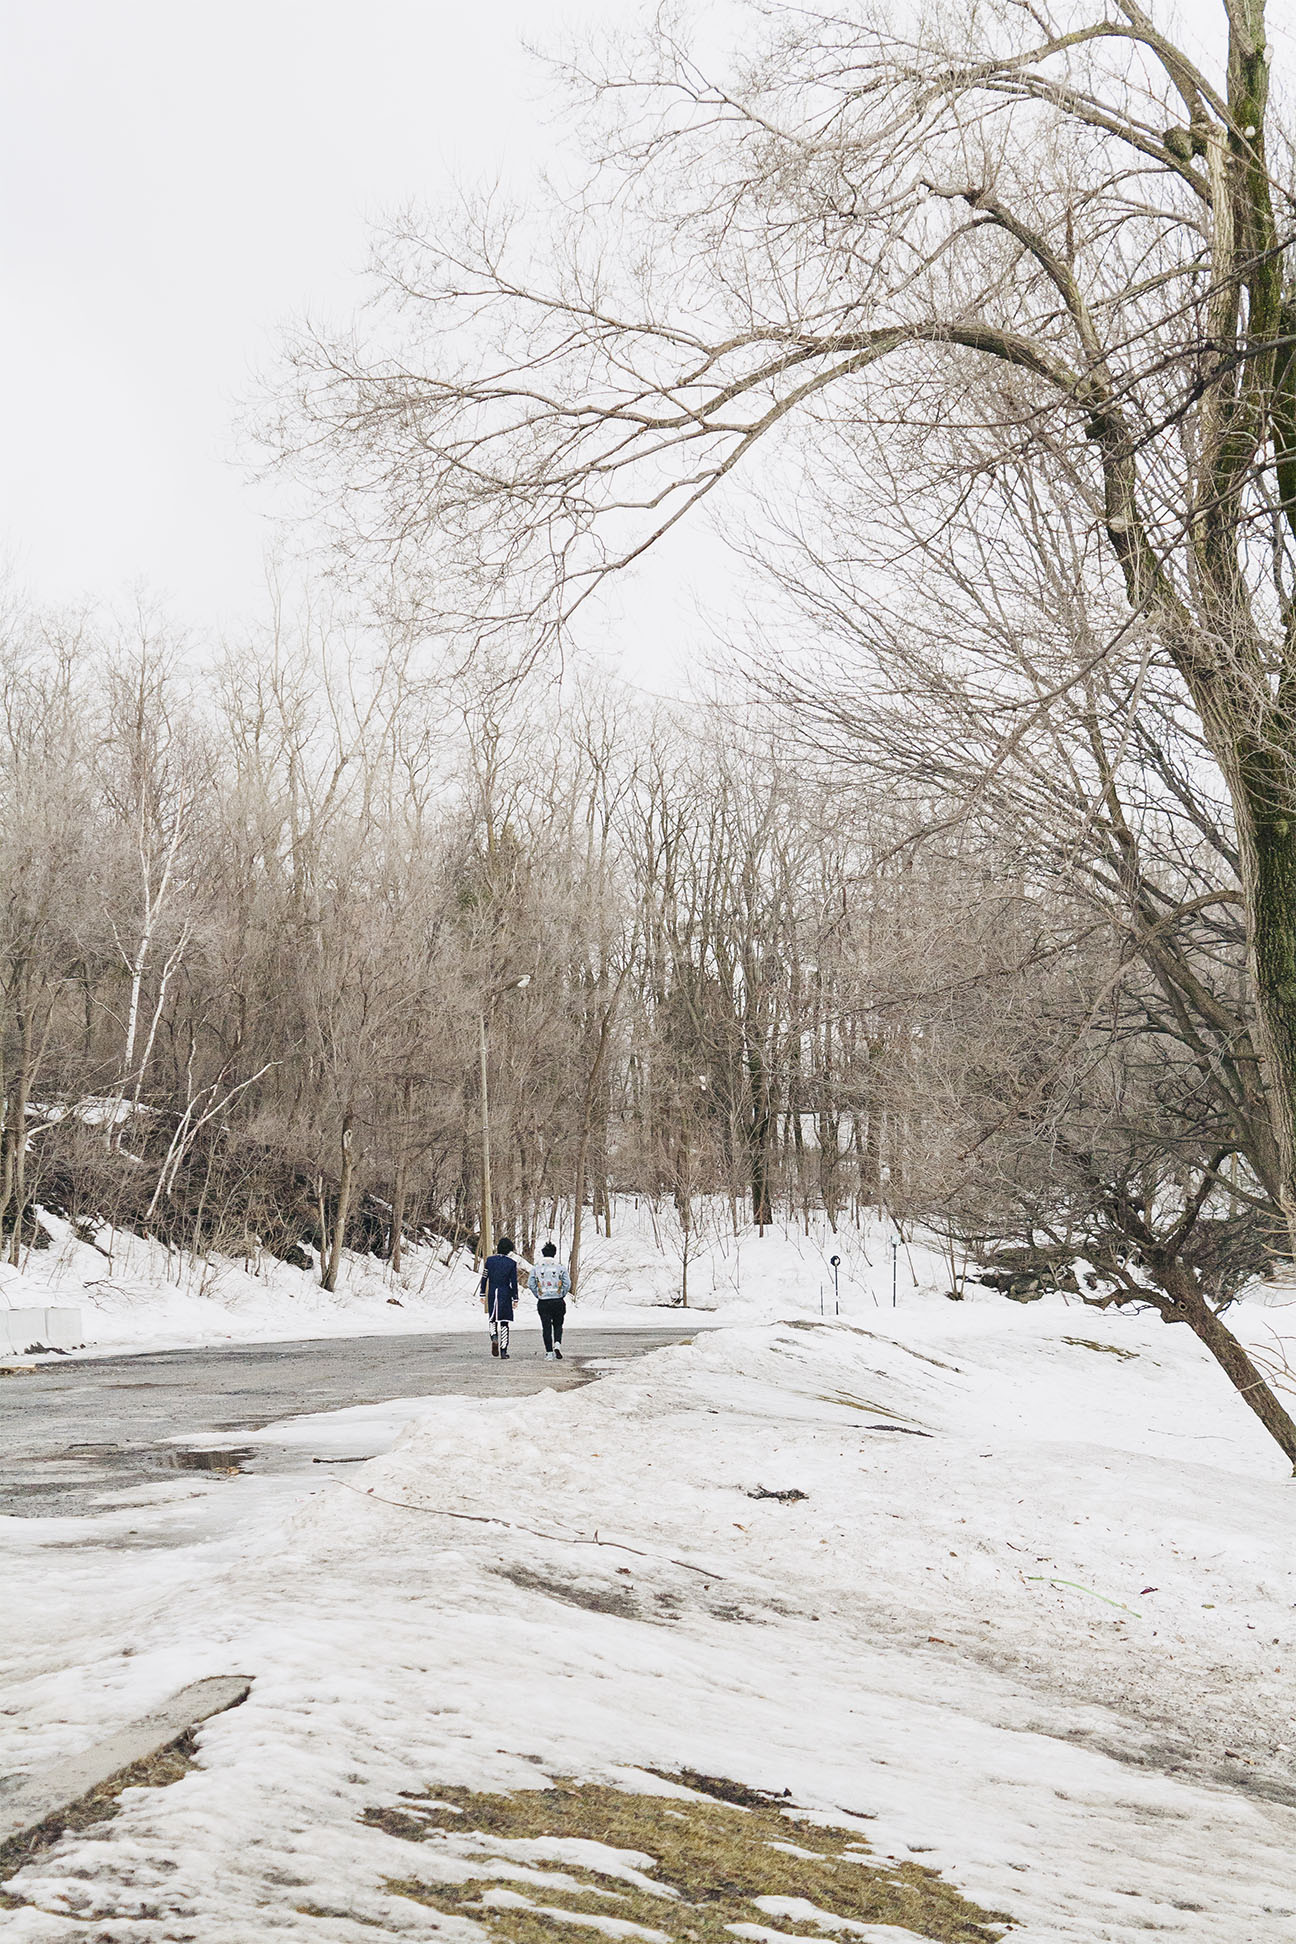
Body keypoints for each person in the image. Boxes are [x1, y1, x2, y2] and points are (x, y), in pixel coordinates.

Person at [479, 1237, 519, 1359]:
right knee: (504, 1321)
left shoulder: (490, 1261)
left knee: (492, 1318)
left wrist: (482, 1293)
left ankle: (494, 1337)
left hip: (492, 1292)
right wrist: (515, 1298)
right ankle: (503, 1350)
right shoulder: (511, 1263)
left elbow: (484, 1277)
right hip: (505, 1293)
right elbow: (513, 1282)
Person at [531, 1240, 571, 1360]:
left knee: (546, 1327)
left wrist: (538, 1294)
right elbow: (567, 1283)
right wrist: (562, 1293)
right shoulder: (560, 1267)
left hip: (543, 1301)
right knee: (558, 1324)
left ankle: (549, 1353)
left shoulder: (536, 1268)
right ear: (554, 1253)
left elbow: (531, 1283)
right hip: (558, 1300)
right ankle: (557, 1344)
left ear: (543, 1254)